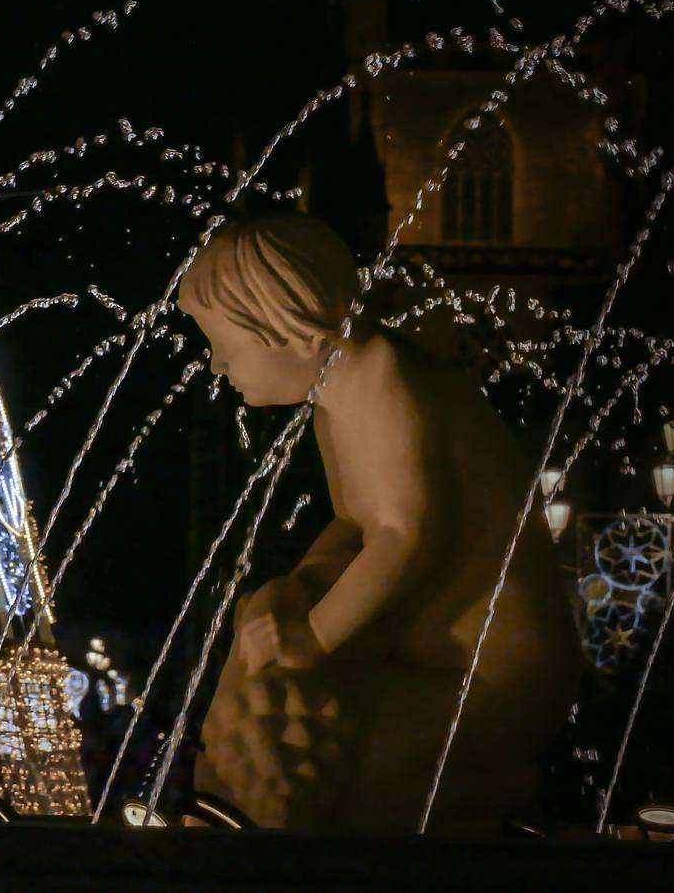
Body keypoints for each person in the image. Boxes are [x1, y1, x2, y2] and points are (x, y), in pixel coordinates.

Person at [178, 214, 583, 832]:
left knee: (337, 776)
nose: (215, 365)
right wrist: (292, 595)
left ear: (290, 328)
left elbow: (404, 536)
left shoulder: (385, 381)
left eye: (224, 343)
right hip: (419, 650)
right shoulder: (339, 394)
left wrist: (313, 635)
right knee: (267, 674)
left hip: (486, 678)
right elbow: (353, 526)